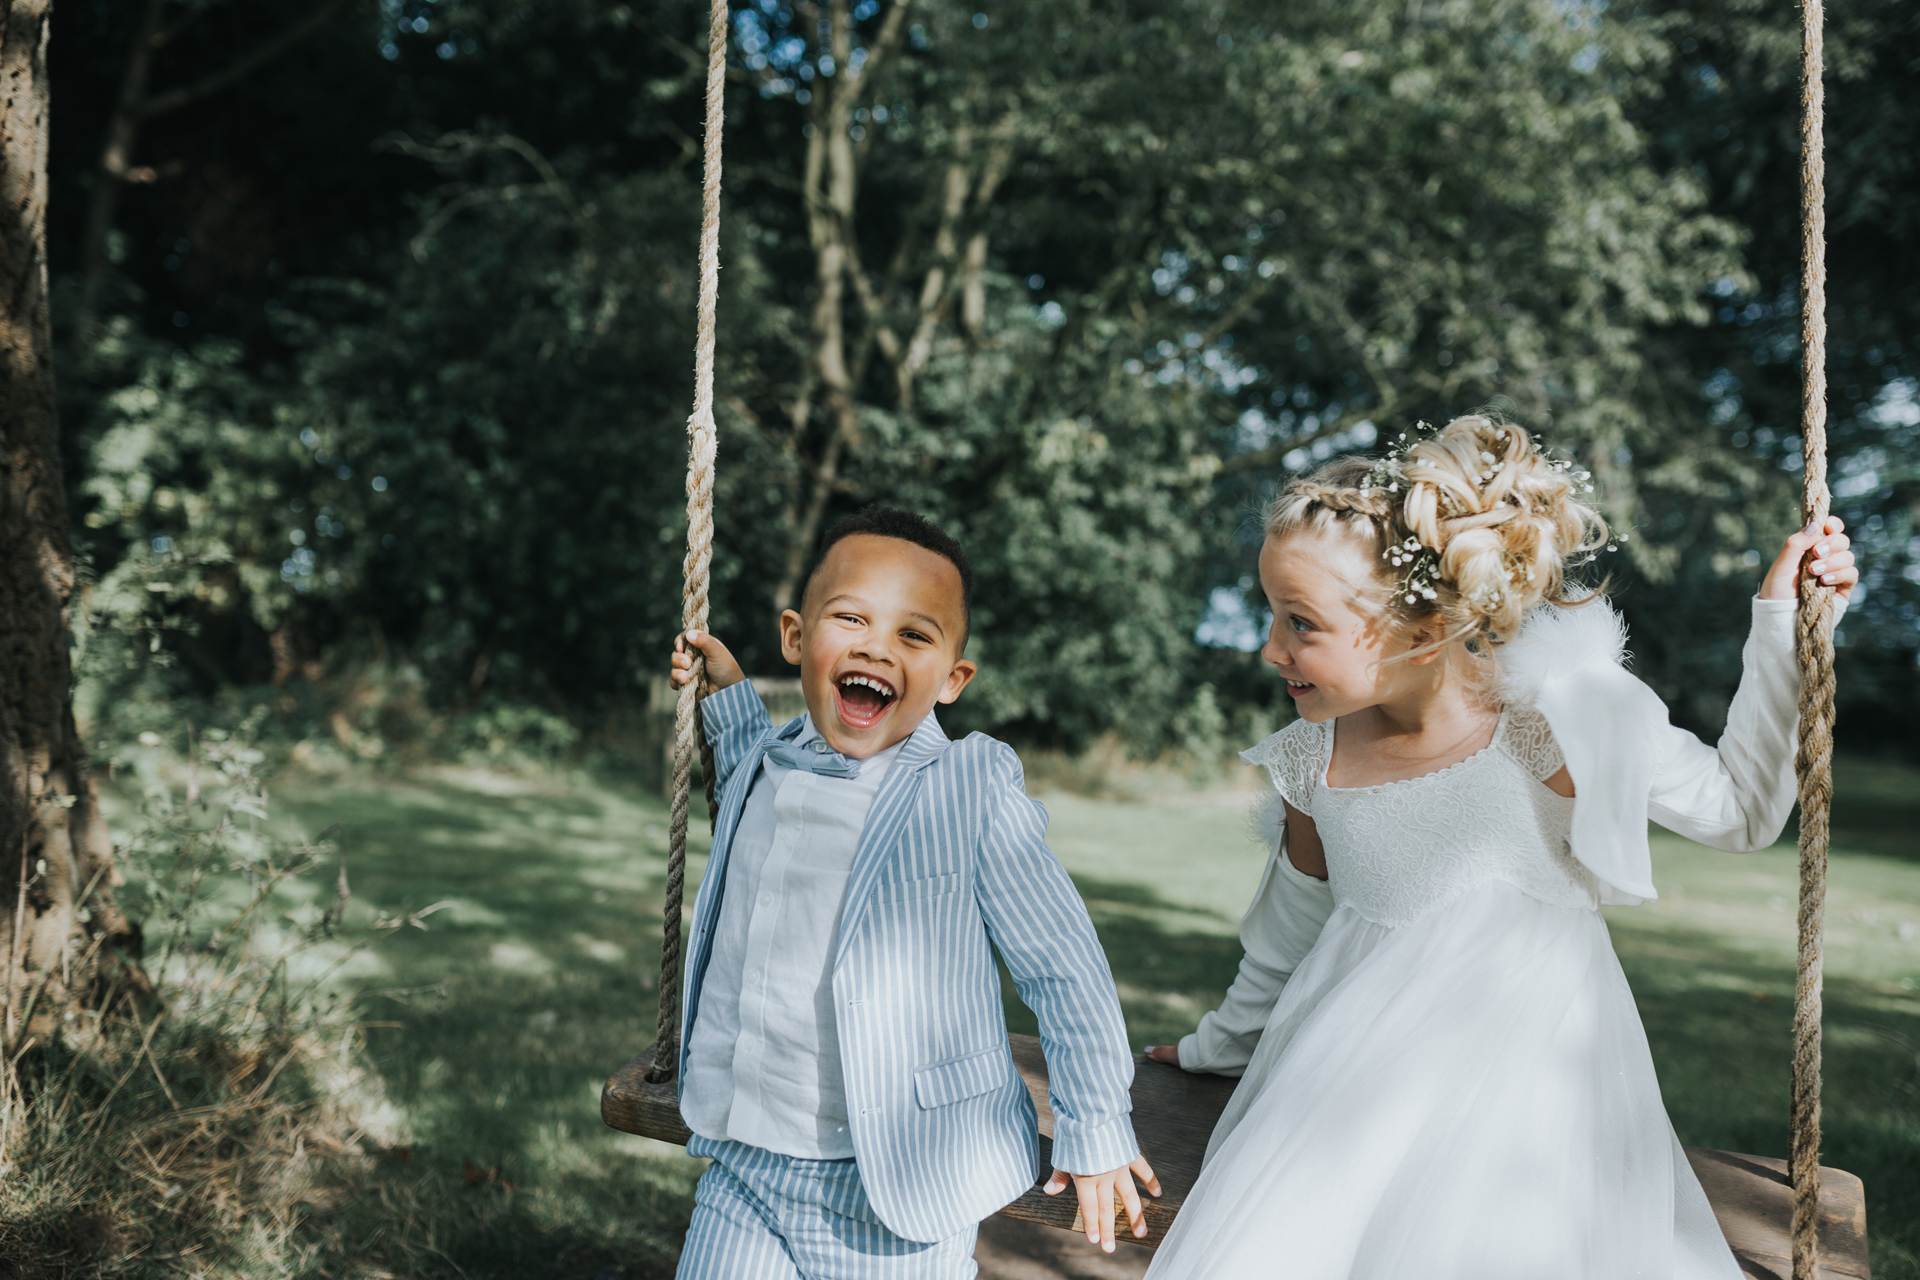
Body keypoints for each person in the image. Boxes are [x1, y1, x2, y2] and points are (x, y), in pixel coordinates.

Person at [1140, 414, 1857, 1279]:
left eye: (1300, 623)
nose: (1269, 648)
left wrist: (1784, 620)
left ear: (1418, 627)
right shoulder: (1311, 759)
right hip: (1348, 1095)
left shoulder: (1551, 717)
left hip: (1540, 1093)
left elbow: (1742, 813)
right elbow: (1285, 940)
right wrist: (1219, 1043)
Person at [666, 505, 1160, 1280]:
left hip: (895, 1189)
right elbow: (751, 803)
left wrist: (1095, 1124)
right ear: (797, 638)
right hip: (745, 1160)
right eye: (852, 618)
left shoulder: (969, 788)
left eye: (914, 635)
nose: (876, 646)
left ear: (954, 679)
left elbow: (1062, 964)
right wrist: (727, 700)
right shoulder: (773, 761)